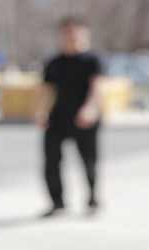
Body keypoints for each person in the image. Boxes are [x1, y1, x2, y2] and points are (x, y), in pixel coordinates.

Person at [35, 17, 103, 217]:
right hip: (58, 118)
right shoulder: (54, 62)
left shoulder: (92, 60)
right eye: (67, 32)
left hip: (84, 118)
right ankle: (57, 203)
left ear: (84, 34)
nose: (71, 37)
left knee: (88, 160)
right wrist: (41, 111)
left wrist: (90, 109)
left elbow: (96, 88)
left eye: (75, 32)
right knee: (51, 161)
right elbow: (46, 90)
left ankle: (92, 198)